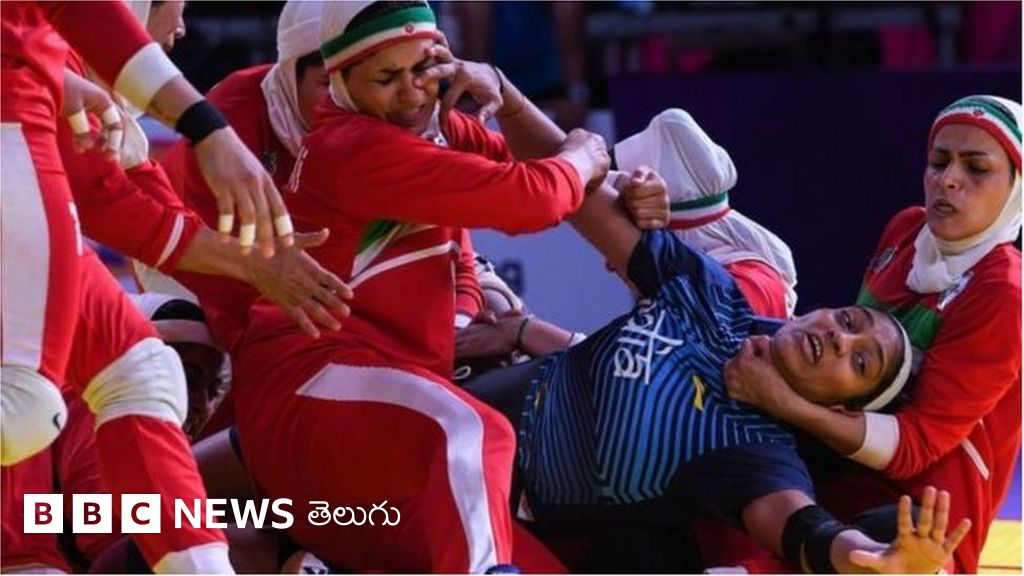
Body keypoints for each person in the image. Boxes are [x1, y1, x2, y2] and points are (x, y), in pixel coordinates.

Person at [229, 1, 610, 572]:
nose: (411, 91)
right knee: (472, 429)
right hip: (311, 390)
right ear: (338, 77)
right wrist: (584, 155)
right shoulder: (353, 145)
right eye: (387, 77)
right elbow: (534, 196)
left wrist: (510, 97)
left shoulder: (428, 120)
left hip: (375, 416)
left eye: (425, 69)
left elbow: (538, 169)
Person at [463, 168, 968, 574]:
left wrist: (875, 560)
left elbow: (807, 532)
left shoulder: (759, 458)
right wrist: (512, 103)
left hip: (482, 498)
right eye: (848, 321)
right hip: (463, 395)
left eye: (859, 362)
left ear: (841, 408)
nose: (841, 338)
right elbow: (570, 184)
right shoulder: (714, 299)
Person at [724, 94, 1021, 573]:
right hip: (832, 476)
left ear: (1016, 189)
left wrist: (781, 399)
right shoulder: (905, 230)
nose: (948, 179)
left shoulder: (1005, 293)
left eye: (976, 168)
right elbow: (845, 371)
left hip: (919, 531)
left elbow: (912, 448)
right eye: (939, 161)